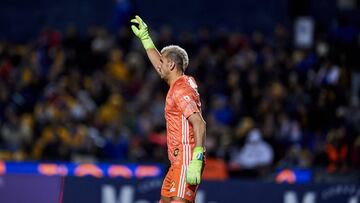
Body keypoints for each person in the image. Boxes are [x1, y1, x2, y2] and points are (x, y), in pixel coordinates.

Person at [131, 15, 206, 203]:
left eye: (163, 63)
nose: (159, 67)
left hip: (187, 157)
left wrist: (197, 158)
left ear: (171, 65)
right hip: (176, 161)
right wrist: (146, 39)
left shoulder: (181, 89)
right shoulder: (177, 84)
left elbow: (199, 122)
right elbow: (159, 64)